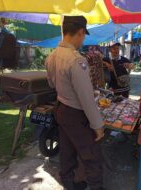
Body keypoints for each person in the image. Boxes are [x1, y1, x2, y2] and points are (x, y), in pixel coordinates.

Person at [45, 16, 105, 190]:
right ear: (80, 32)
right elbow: (86, 98)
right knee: (92, 156)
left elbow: (51, 84)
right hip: (75, 114)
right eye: (83, 35)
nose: (83, 39)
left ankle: (70, 184)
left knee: (67, 152)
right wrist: (98, 125)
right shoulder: (76, 60)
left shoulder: (52, 57)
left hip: (61, 108)